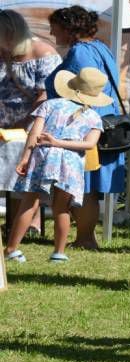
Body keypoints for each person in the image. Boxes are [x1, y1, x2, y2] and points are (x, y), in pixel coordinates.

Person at [4, 68, 107, 263]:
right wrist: (60, 143)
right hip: (71, 162)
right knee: (61, 207)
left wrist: (25, 157)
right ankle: (59, 253)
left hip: (42, 155)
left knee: (29, 201)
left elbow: (34, 133)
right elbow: (89, 144)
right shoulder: (94, 117)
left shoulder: (50, 105)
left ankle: (11, 249)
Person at [46, 6, 124, 251]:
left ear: (69, 29)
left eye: (55, 27)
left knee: (86, 186)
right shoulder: (99, 47)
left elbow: (83, 93)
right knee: (88, 186)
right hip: (100, 122)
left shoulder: (80, 52)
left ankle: (86, 238)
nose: (51, 32)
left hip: (85, 126)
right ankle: (85, 237)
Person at [0, 9, 61, 238]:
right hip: (4, 127)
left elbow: (46, 94)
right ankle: (13, 225)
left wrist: (26, 122)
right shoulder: (3, 51)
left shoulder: (42, 52)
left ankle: (28, 224)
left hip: (29, 126)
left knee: (24, 173)